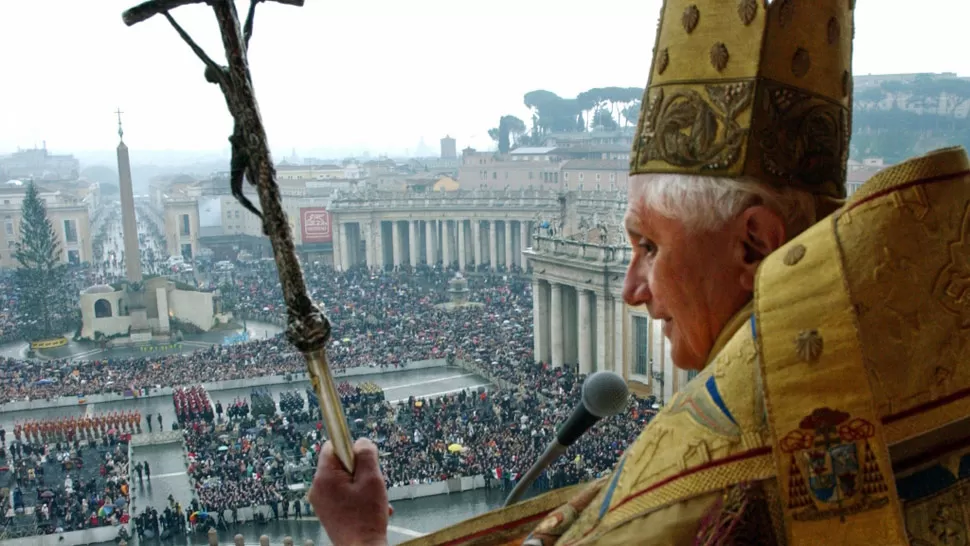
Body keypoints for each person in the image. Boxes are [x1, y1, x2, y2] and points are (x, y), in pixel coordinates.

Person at [310, 1, 970, 544]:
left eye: (650, 246)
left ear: (755, 246)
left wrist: (362, 539)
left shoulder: (690, 486)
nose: (630, 288)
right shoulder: (914, 367)